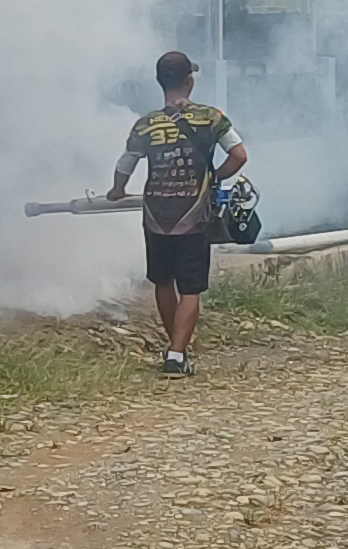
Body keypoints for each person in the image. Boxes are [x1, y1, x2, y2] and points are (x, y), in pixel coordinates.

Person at [103, 49, 246, 377]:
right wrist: (214, 178)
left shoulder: (146, 124)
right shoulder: (211, 118)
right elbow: (239, 155)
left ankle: (176, 351)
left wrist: (115, 191)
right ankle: (177, 353)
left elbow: (125, 164)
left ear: (159, 82)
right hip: (194, 216)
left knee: (163, 282)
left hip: (155, 215)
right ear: (189, 81)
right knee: (191, 288)